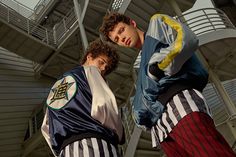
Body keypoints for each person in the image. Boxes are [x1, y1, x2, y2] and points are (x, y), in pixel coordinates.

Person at [99, 12, 236, 157]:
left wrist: (159, 66)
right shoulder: (142, 70)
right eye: (117, 39)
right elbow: (140, 111)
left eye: (121, 30)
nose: (122, 38)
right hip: (162, 132)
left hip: (181, 108)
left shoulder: (157, 27)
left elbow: (187, 39)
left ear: (132, 23)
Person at [41, 39, 125, 157]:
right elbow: (104, 103)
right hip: (95, 144)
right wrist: (120, 134)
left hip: (65, 151)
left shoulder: (58, 85)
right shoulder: (91, 71)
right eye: (101, 62)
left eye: (106, 68)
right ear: (89, 57)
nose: (103, 69)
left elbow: (46, 127)